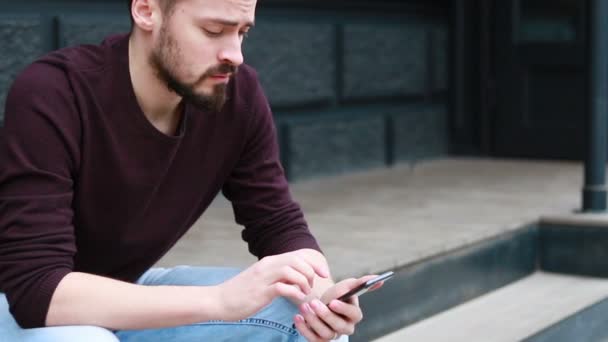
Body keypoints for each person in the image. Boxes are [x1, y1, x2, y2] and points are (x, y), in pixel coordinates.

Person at [0, 0, 382, 341]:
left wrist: (323, 295)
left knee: (304, 318)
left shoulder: (237, 94)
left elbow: (276, 221)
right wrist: (219, 301)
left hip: (125, 284)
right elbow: (37, 290)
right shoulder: (55, 92)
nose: (235, 55)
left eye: (242, 32)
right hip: (18, 300)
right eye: (213, 30)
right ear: (147, 10)